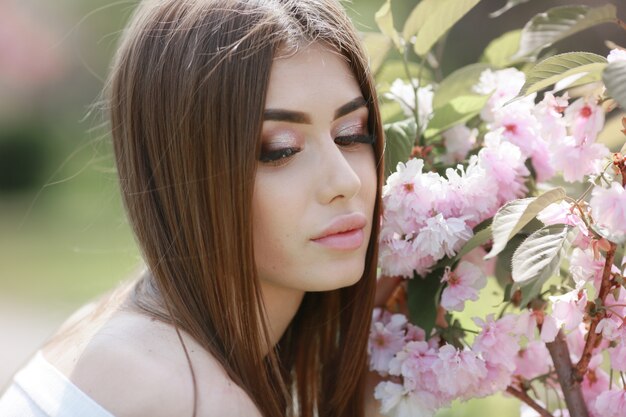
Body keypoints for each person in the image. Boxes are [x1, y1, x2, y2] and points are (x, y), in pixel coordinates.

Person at [0, 0, 389, 416]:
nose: (345, 181)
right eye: (281, 150)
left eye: (351, 134)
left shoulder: (106, 328)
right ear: (182, 169)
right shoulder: (193, 399)